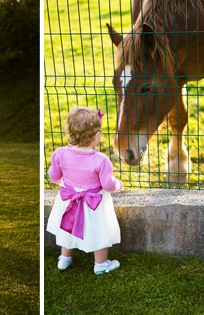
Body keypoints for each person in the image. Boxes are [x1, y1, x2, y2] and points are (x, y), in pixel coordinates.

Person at [45, 106, 124, 275]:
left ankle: (64, 259)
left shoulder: (60, 154)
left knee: (67, 226)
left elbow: (54, 175)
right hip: (94, 205)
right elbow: (107, 184)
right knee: (99, 232)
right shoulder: (101, 160)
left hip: (69, 201)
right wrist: (118, 184)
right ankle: (100, 265)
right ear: (96, 136)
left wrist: (64, 184)